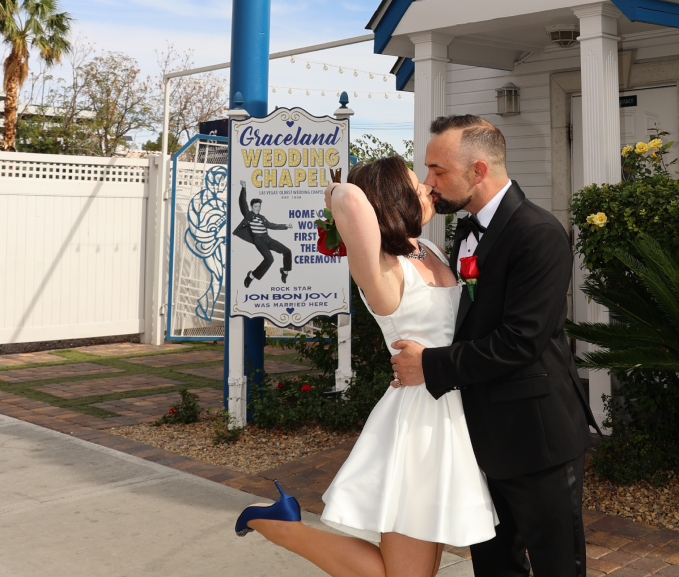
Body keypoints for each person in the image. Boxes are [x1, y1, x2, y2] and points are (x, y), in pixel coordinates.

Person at [234, 155, 497, 576]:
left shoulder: (426, 248)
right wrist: (338, 188)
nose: (428, 188)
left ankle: (281, 521)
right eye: (414, 185)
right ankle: (280, 525)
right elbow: (353, 201)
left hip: (450, 411)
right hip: (418, 423)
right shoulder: (379, 265)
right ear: (391, 198)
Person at [387, 114, 596, 577]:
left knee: (557, 564)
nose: (429, 182)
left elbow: (520, 341)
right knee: (494, 565)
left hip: (536, 436)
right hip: (478, 436)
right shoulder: (464, 230)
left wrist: (432, 366)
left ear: (478, 171)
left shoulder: (538, 234)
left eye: (438, 171)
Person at [236, 184, 292, 286]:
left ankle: (284, 271)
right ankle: (251, 276)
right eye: (255, 206)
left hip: (267, 239)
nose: (257, 208)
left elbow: (271, 225)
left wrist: (285, 226)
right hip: (258, 240)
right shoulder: (248, 215)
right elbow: (242, 202)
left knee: (287, 251)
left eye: (259, 206)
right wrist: (244, 188)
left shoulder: (262, 217)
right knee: (270, 259)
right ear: (252, 207)